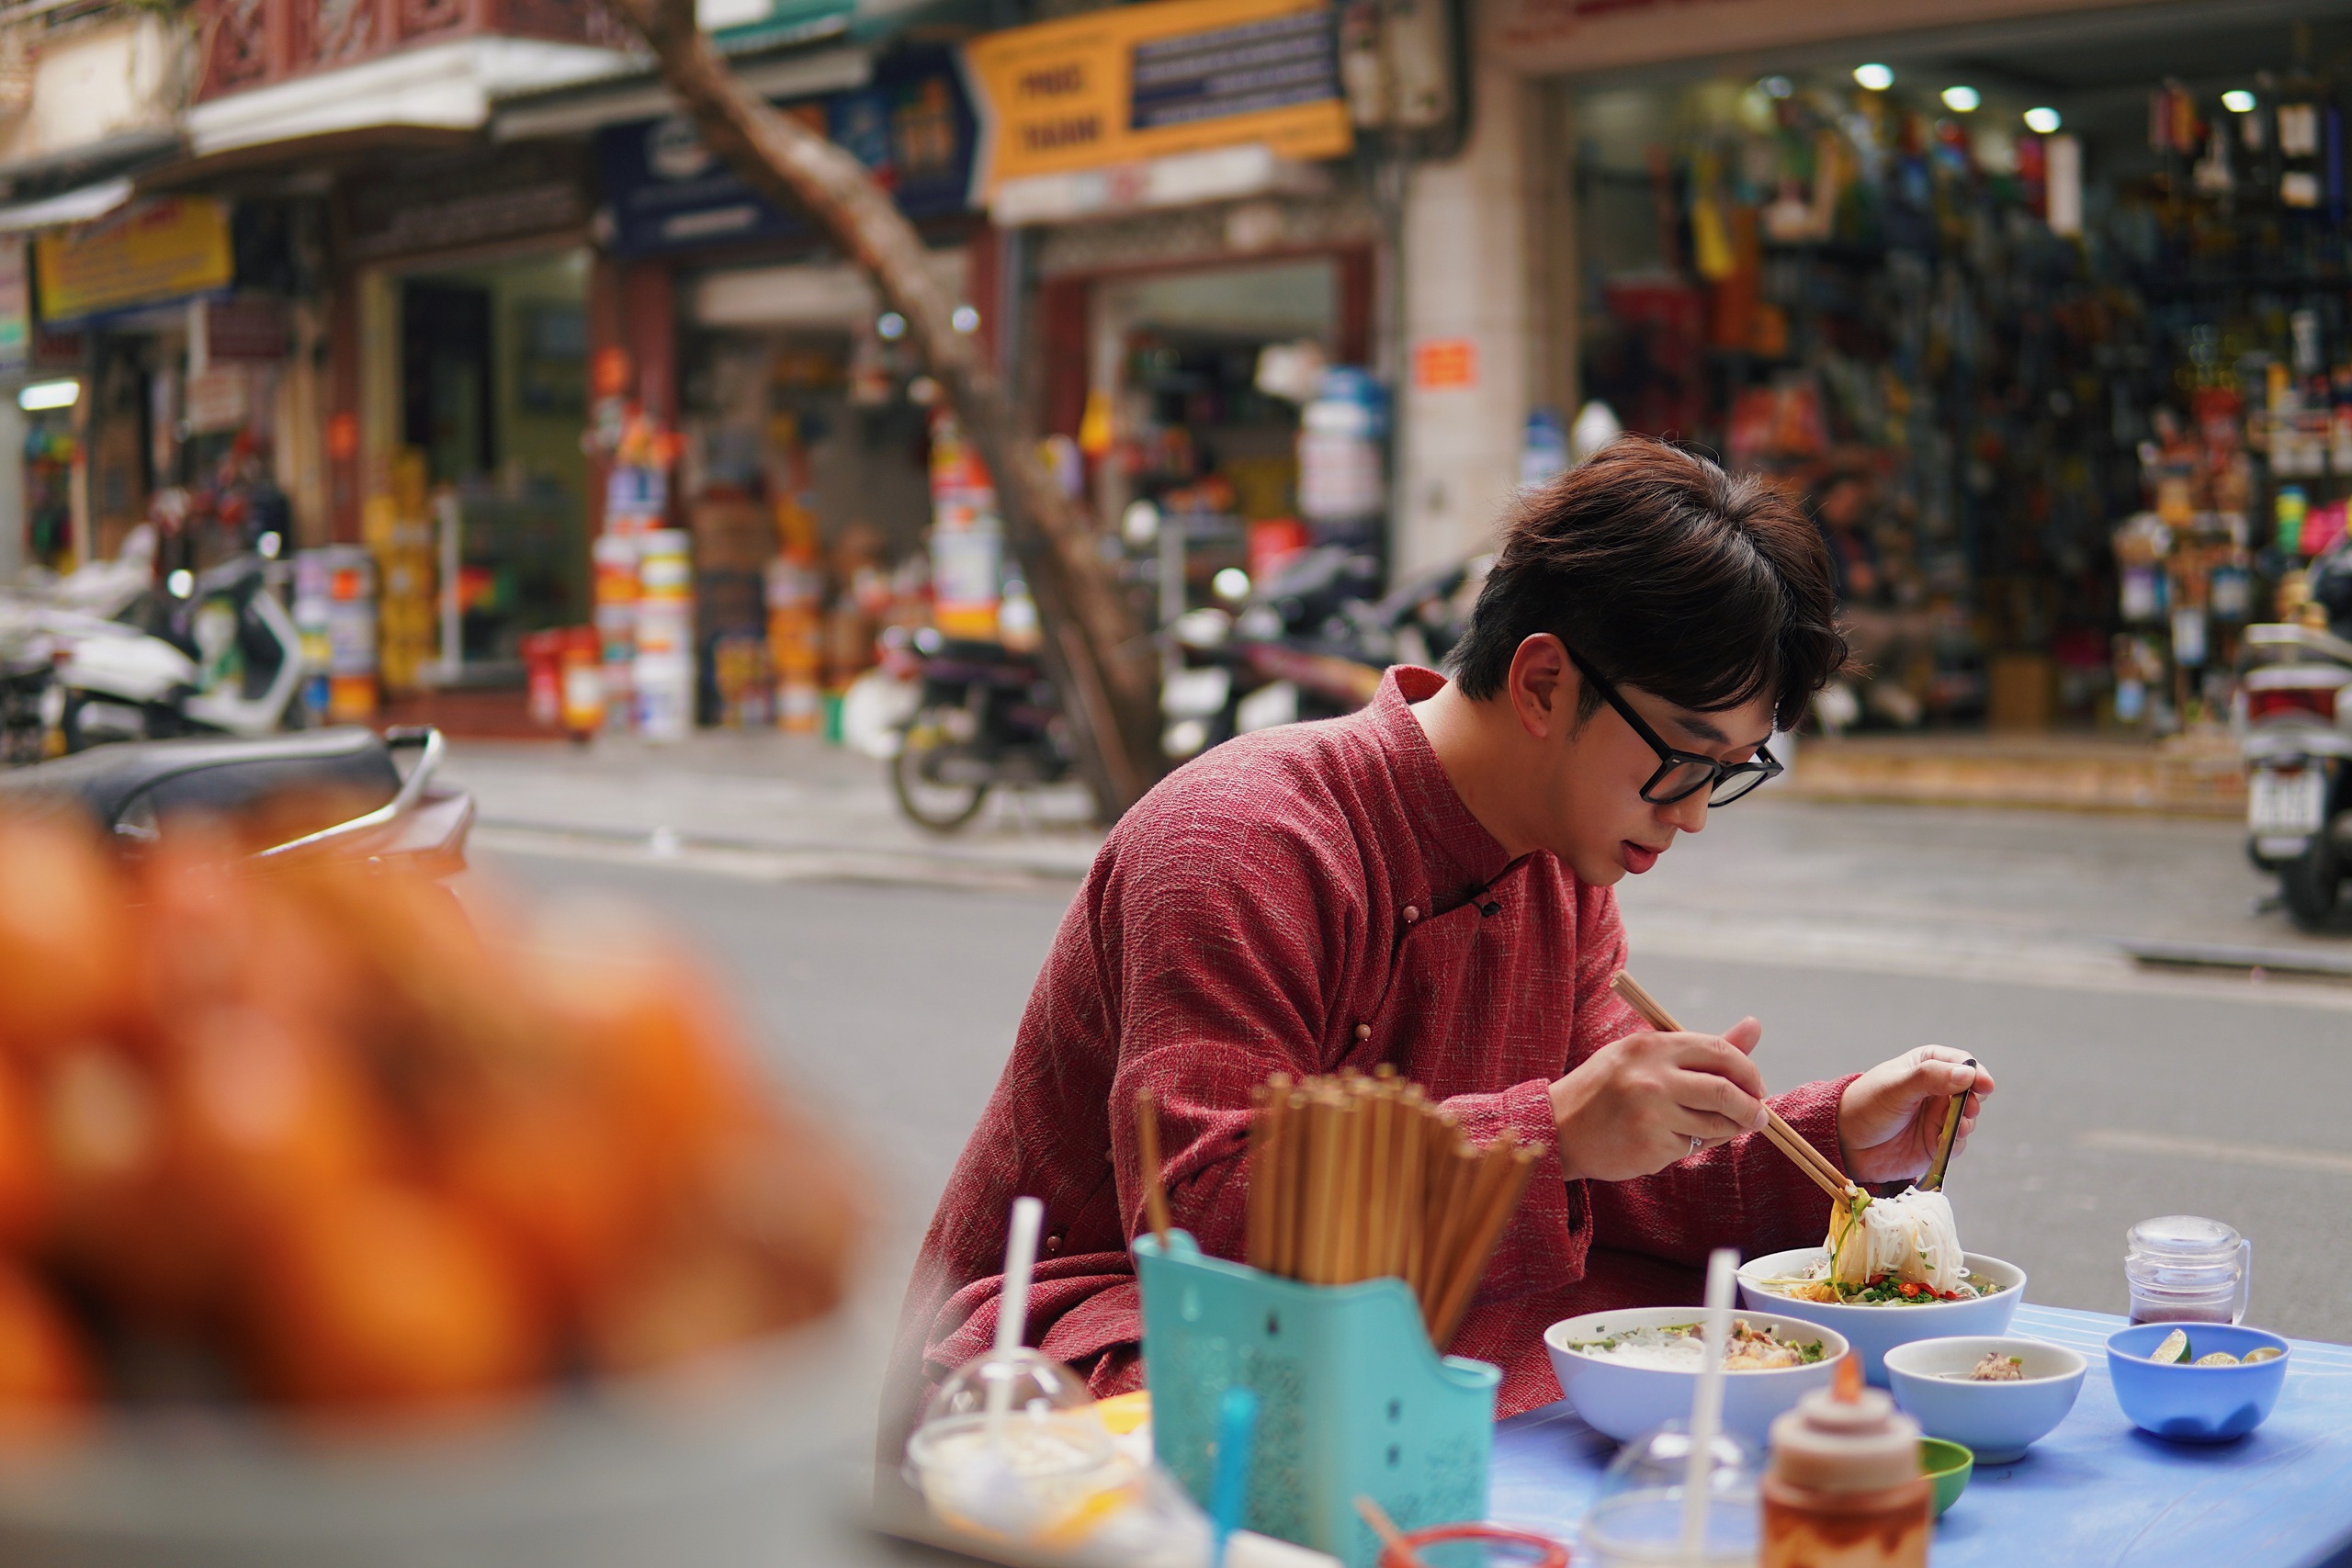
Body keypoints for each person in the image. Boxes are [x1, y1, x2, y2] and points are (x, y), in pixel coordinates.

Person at [882, 436, 1995, 1443]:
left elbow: (1611, 1173)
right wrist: (1550, 1135)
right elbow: (1204, 1220)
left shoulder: (1561, 864)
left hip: (1372, 1304)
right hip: (1113, 1326)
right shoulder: (1239, 836)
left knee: (1694, 1332)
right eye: (1682, 757)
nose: (1695, 812)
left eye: (1729, 773)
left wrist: (1836, 1134)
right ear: (1544, 682)